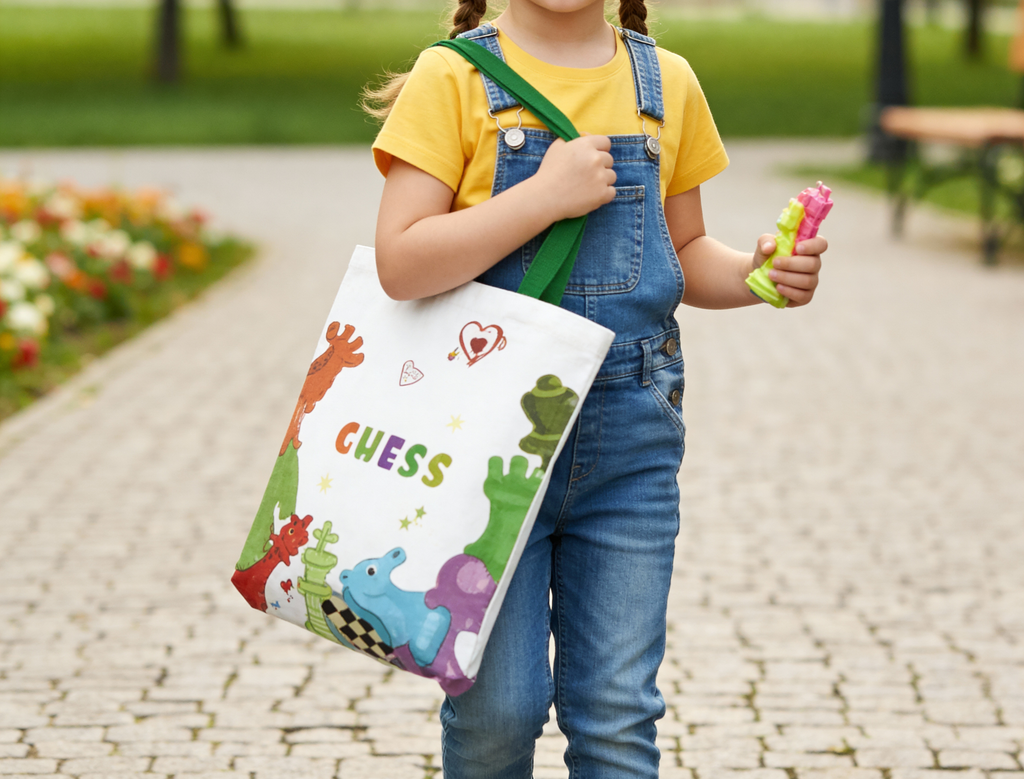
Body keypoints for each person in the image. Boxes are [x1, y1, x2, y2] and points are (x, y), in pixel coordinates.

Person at [366, 0, 827, 774]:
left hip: (630, 445)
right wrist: (541, 198)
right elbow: (401, 261)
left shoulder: (666, 82)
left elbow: (681, 254)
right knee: (497, 709)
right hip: (485, 449)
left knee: (618, 712)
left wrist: (756, 276)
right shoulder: (450, 79)